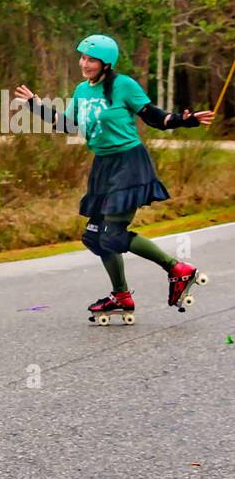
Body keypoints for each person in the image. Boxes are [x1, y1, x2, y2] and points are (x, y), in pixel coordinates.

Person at [15, 34, 213, 320]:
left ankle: (178, 269)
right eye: (82, 57)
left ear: (106, 64)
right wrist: (35, 104)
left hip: (129, 162)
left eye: (91, 59)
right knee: (94, 236)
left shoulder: (123, 85)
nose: (84, 63)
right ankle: (121, 295)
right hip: (103, 166)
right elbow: (67, 125)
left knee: (113, 235)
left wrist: (186, 120)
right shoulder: (82, 91)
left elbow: (154, 116)